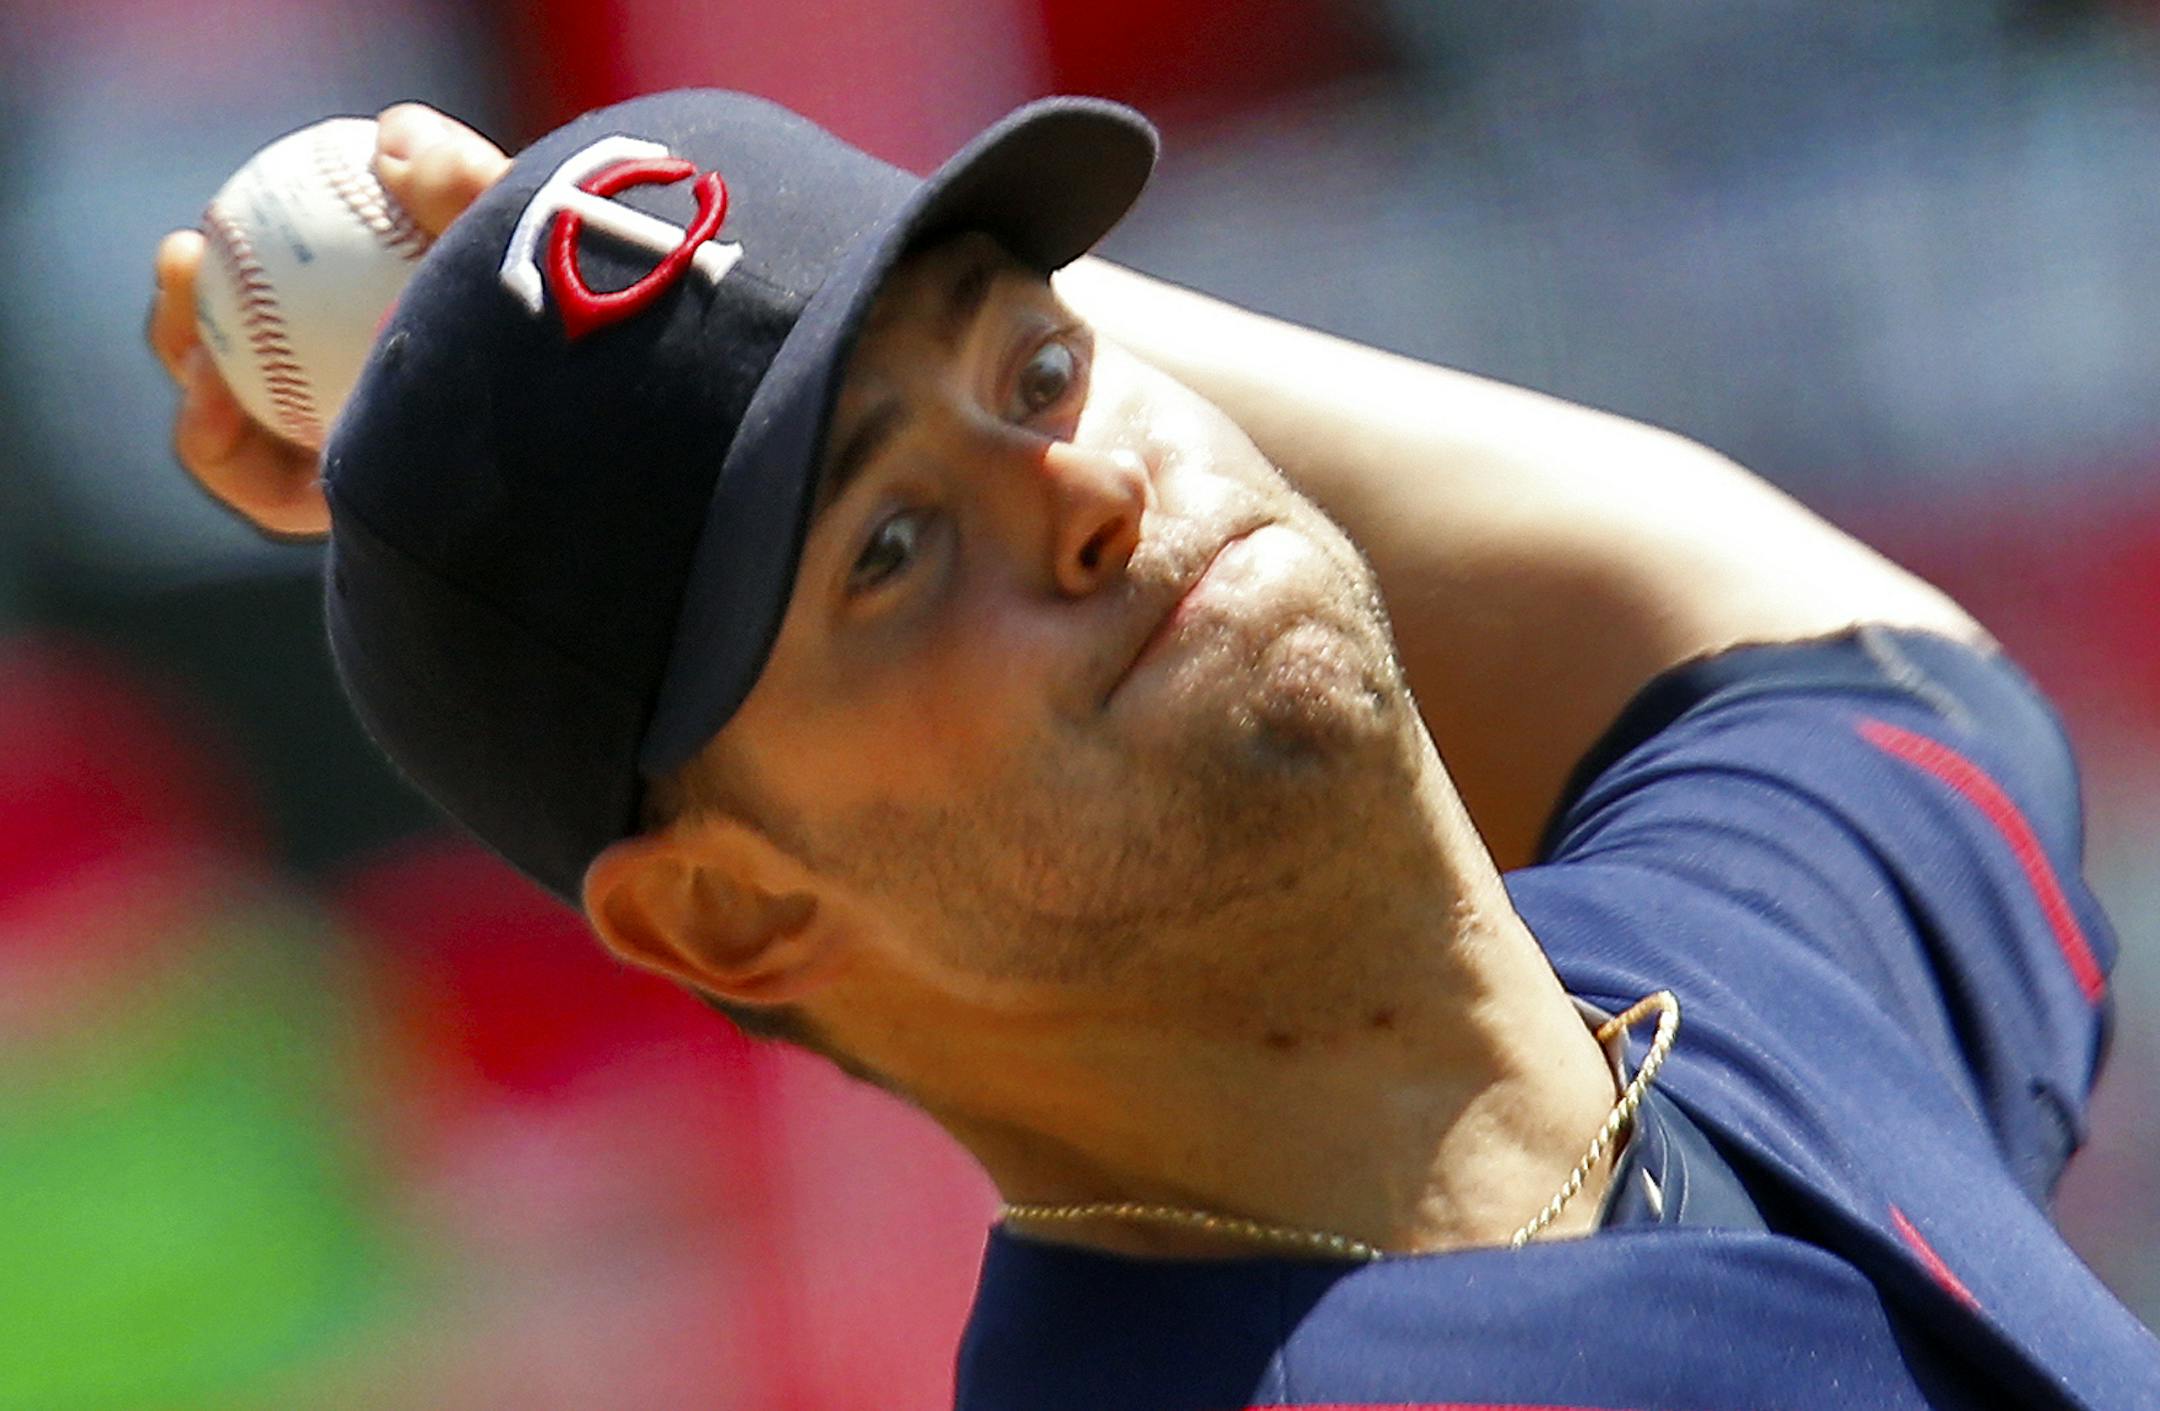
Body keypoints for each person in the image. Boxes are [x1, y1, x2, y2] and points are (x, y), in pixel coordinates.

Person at [147, 91, 2160, 1408]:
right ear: (736, 905)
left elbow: (1818, 637)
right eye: (894, 545)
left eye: (1039, 361)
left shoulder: (1707, 1002)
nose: (1086, 480)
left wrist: (747, 261)